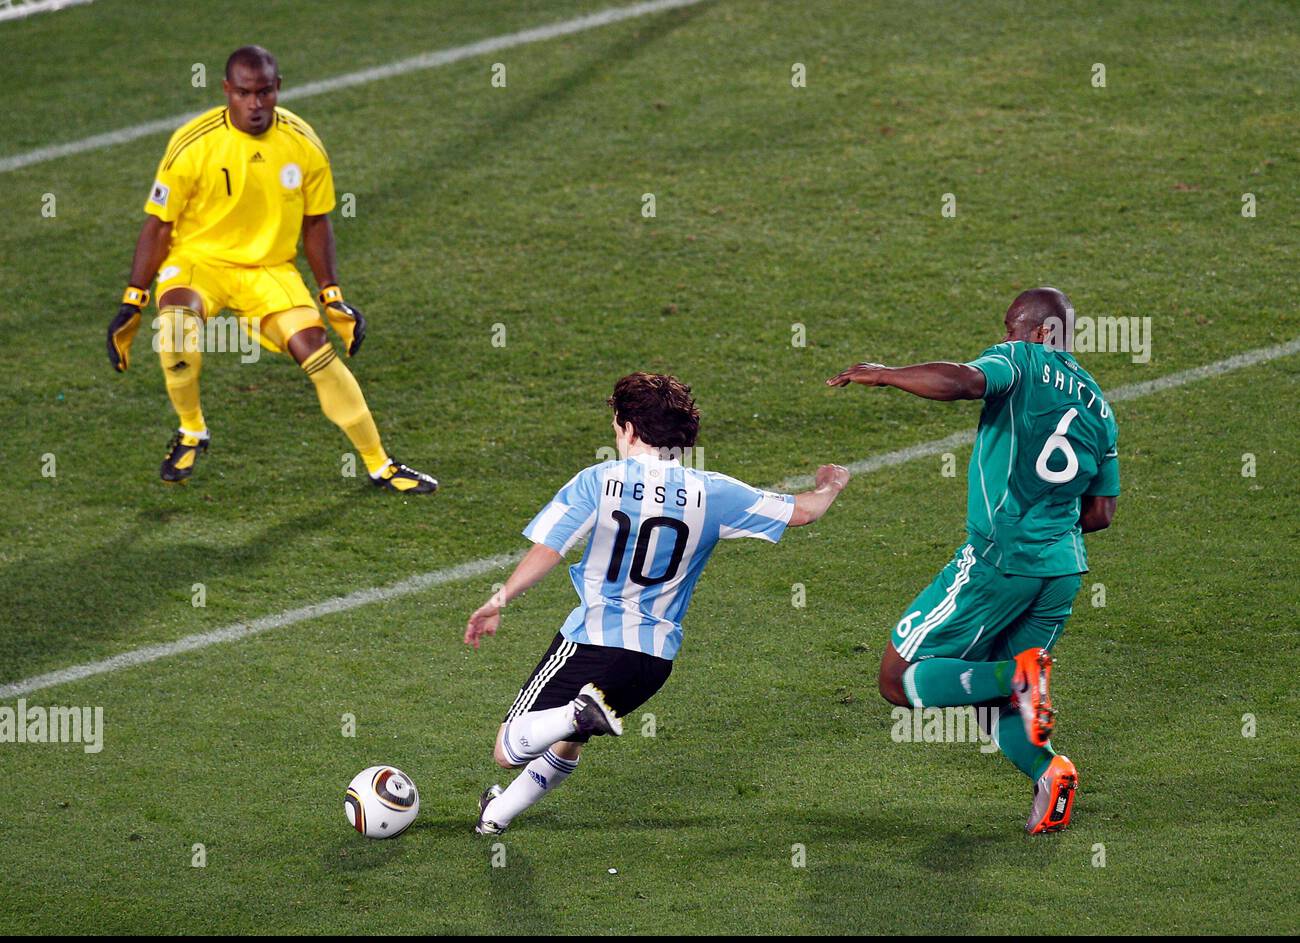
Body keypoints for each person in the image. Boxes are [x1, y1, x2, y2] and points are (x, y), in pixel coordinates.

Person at [463, 372, 850, 834]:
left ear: (628, 429)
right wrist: (831, 485)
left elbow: (551, 546)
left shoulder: (599, 481)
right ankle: (497, 816)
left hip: (593, 642)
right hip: (653, 661)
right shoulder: (714, 492)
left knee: (508, 748)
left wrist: (500, 597)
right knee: (569, 742)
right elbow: (804, 511)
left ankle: (574, 711)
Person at [827, 287, 1119, 833]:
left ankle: (1022, 675)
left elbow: (965, 381)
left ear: (1040, 332)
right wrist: (1047, 525)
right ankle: (1050, 771)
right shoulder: (1100, 407)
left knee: (898, 680)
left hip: (999, 563)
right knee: (989, 691)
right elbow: (1101, 514)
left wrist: (886, 373)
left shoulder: (1023, 358)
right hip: (1061, 573)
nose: (1004, 337)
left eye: (1010, 328)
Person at [106, 45, 436, 493]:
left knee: (317, 352)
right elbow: (159, 225)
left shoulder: (302, 143)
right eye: (244, 93)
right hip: (200, 262)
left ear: (278, 88)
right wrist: (134, 299)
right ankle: (192, 429)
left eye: (264, 92)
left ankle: (381, 465)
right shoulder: (193, 143)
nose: (256, 104)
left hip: (269, 270)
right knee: (177, 329)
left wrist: (331, 294)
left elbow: (317, 222)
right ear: (227, 90)